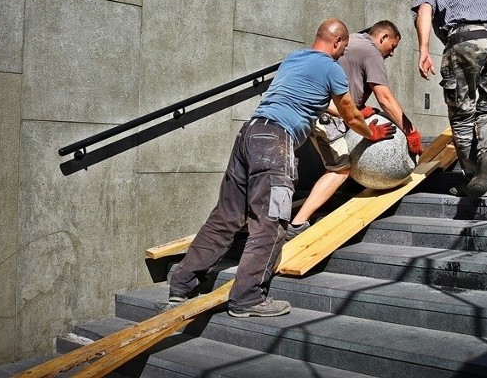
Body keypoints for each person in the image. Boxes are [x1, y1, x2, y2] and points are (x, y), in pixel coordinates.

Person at [167, 19, 395, 317]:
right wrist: (371, 132)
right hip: (275, 143)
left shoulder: (293, 60)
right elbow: (351, 116)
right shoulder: (330, 68)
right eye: (343, 49)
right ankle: (247, 298)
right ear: (338, 42)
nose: (342, 55)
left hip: (249, 134)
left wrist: (351, 112)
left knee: (227, 216)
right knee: (272, 221)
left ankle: (181, 283)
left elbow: (313, 102)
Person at [287, 20, 423, 239]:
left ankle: (330, 194)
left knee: (336, 161)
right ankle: (297, 224)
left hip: (320, 109)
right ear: (383, 38)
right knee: (340, 169)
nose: (392, 53)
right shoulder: (371, 52)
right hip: (329, 113)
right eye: (393, 47)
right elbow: (385, 98)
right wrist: (410, 131)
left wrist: (359, 111)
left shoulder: (353, 41)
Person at [412, 0, 487, 199]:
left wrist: (423, 50)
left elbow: (424, 10)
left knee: (462, 114)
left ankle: (471, 177)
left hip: (465, 39)